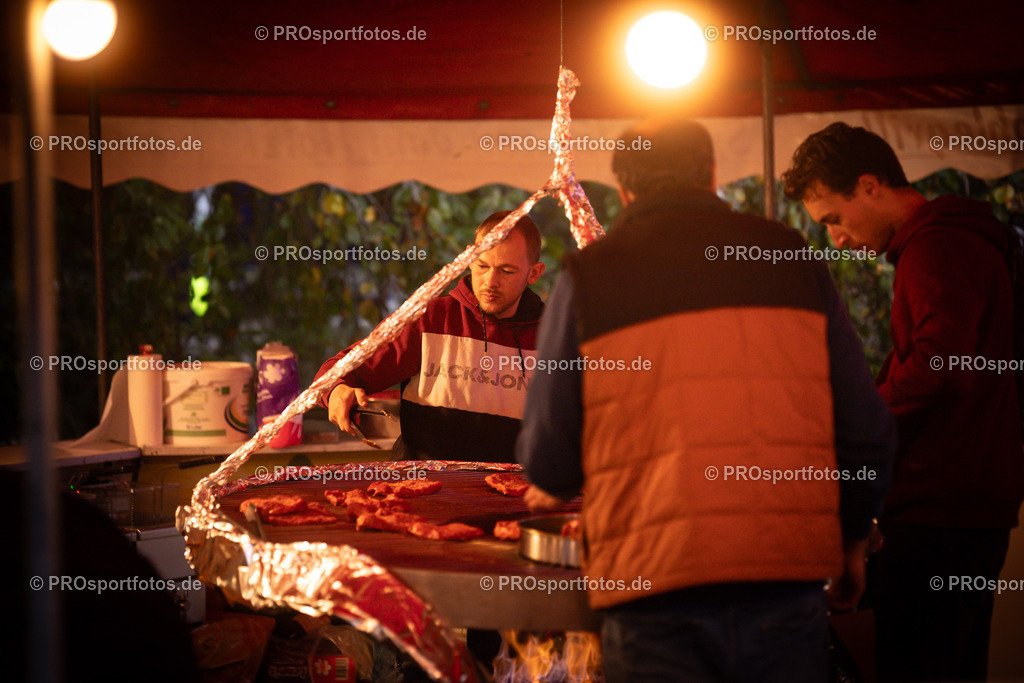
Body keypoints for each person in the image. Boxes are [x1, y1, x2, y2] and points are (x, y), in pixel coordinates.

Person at [516, 118, 896, 682]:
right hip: (783, 581)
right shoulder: (788, 258)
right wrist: (852, 541)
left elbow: (550, 462)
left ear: (624, 190)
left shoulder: (590, 277)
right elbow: (866, 429)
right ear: (713, 175)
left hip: (652, 589)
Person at [782, 121, 1024, 681]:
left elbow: (940, 367)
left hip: (941, 511)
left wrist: (851, 422)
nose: (836, 239)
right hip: (966, 503)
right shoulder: (948, 240)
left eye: (834, 218)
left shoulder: (938, 245)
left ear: (870, 185)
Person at [315, 210, 546, 463]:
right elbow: (334, 372)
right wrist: (336, 391)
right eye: (482, 266)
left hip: (513, 485)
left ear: (534, 273)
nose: (490, 281)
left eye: (507, 271)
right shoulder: (429, 319)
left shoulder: (555, 337)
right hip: (422, 482)